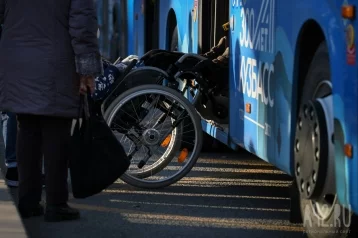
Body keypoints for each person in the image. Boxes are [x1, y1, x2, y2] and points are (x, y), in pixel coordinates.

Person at [0, 0, 102, 222]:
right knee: (57, 130)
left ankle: (28, 202)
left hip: (16, 58)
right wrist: (87, 69)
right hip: (56, 60)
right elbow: (82, 25)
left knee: (26, 128)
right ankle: (56, 204)